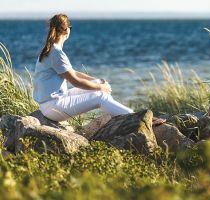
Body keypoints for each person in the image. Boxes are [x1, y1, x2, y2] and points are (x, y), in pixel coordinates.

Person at [33, 14, 165, 125]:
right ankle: (139, 119)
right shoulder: (56, 53)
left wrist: (97, 81)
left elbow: (72, 72)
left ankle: (120, 114)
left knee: (98, 86)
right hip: (55, 107)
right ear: (67, 30)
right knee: (100, 96)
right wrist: (101, 88)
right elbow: (75, 82)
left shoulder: (51, 50)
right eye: (70, 27)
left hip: (52, 103)